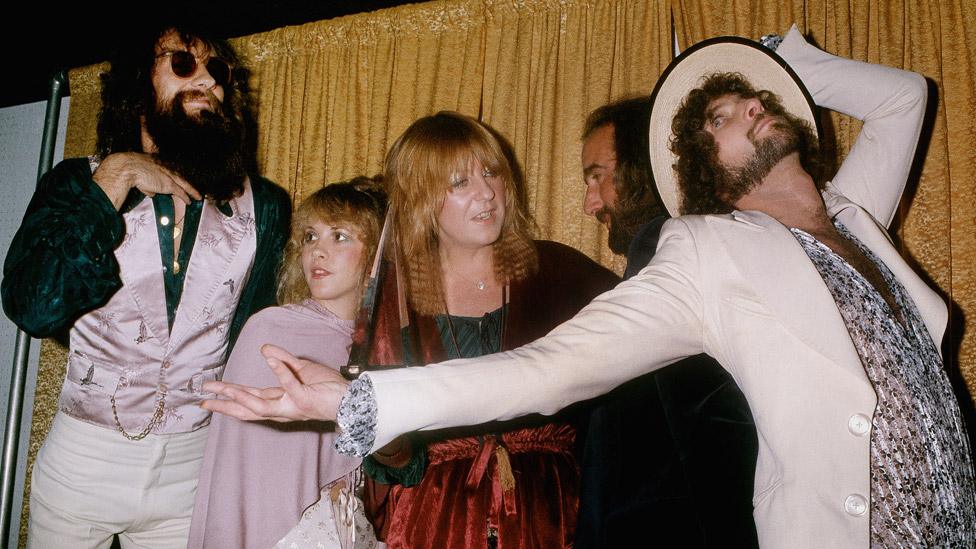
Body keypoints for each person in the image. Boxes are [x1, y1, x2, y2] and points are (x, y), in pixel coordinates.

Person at [203, 26, 976, 549]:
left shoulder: (855, 215)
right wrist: (360, 401)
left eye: (762, 101)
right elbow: (553, 366)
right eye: (725, 111)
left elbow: (906, 96)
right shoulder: (709, 252)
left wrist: (779, 63)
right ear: (704, 177)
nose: (755, 105)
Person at [2, 23, 290, 548]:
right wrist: (114, 179)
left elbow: (253, 337)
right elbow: (35, 306)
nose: (208, 80)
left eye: (219, 72)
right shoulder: (79, 182)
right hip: (81, 468)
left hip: (189, 474)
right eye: (183, 64)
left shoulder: (264, 207)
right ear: (139, 88)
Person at [350, 112, 617, 548]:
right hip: (434, 521)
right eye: (460, 182)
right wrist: (384, 436)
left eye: (490, 172)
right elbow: (390, 460)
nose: (487, 192)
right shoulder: (395, 297)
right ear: (420, 198)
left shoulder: (563, 273)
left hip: (553, 515)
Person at [576, 97, 758, 548]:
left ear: (641, 168)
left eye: (598, 176)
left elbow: (713, 437)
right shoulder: (715, 245)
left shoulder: (665, 252)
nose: (589, 203)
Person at [187, 180, 384, 548]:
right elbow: (245, 483)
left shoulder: (382, 344)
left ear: (374, 254)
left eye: (339, 236)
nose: (318, 252)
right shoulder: (270, 330)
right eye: (311, 236)